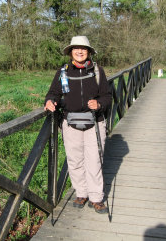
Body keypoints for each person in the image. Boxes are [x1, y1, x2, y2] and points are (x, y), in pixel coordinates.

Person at [44, 36, 112, 214]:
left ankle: (96, 197)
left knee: (95, 160)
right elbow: (53, 93)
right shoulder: (63, 72)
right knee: (74, 160)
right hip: (70, 122)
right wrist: (50, 101)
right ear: (71, 52)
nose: (80, 51)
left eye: (83, 48)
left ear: (89, 51)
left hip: (95, 122)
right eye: (76, 48)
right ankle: (81, 193)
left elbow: (107, 96)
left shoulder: (98, 71)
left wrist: (99, 105)